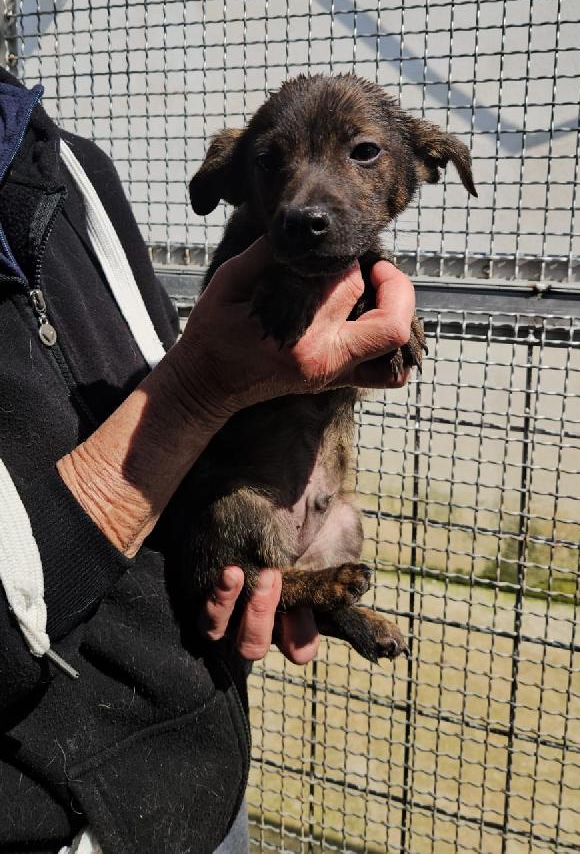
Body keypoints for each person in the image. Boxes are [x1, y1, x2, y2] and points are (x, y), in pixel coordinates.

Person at [0, 67, 415, 854]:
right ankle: (310, 587)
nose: (309, 195)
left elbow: (166, 350)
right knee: (245, 527)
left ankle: (325, 599)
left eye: (362, 153)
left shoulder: (70, 164)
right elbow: (201, 373)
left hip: (205, 758)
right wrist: (202, 388)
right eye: (274, 164)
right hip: (51, 811)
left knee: (338, 537)